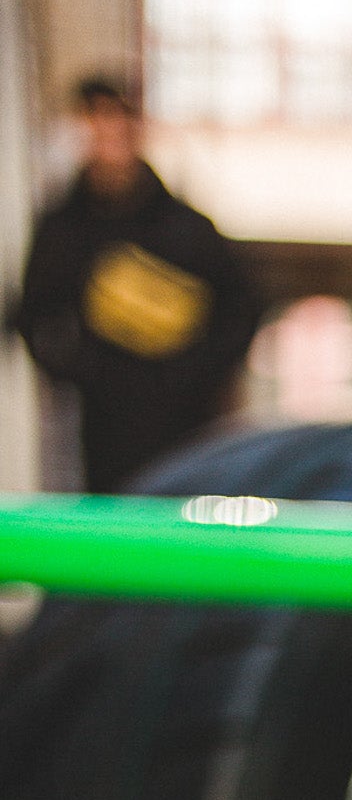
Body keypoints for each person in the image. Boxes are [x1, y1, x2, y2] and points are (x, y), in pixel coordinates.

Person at [14, 73, 261, 491]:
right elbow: (32, 314)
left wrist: (197, 373)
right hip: (99, 433)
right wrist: (83, 371)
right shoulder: (64, 230)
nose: (109, 137)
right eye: (97, 122)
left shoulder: (186, 228)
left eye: (118, 122)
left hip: (185, 431)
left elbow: (242, 306)